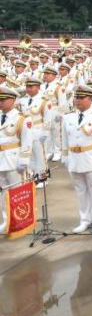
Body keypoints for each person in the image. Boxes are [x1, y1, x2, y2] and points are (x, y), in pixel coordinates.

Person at [61, 85, 92, 234]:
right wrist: (65, 157)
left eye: (82, 98)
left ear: (91, 99)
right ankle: (85, 219)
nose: (78, 101)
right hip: (74, 159)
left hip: (91, 158)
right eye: (77, 97)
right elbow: (64, 139)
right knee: (80, 191)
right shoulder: (68, 118)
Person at [0, 87, 33, 233]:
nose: (0, 103)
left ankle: (21, 219)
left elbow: (27, 141)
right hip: (1, 159)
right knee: (3, 192)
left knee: (17, 192)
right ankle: (7, 220)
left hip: (14, 159)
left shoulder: (22, 119)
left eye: (3, 100)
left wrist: (24, 161)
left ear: (13, 100)